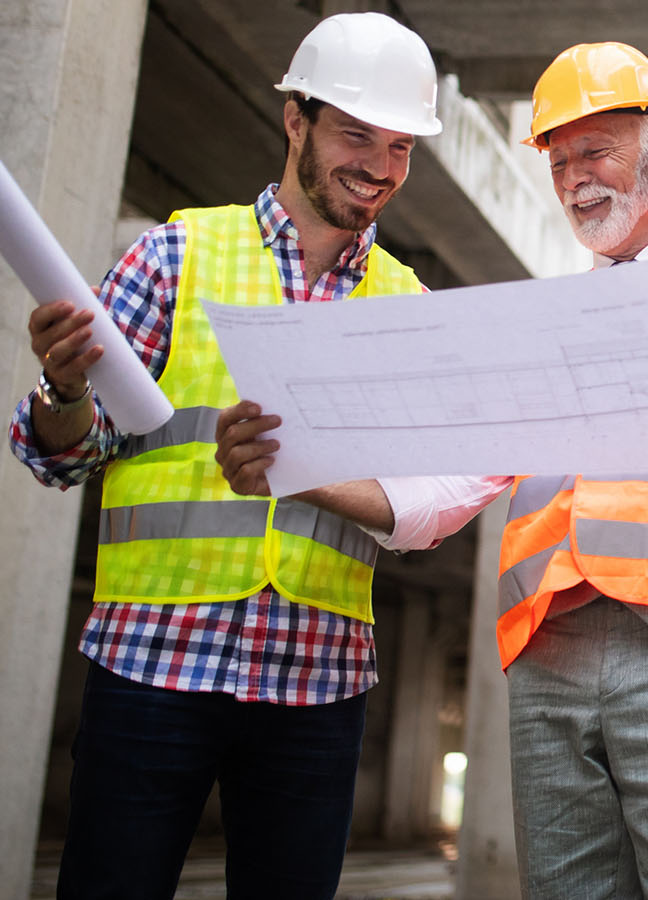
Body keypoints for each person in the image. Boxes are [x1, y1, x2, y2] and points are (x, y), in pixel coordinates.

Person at [217, 39, 648, 900]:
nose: (576, 180)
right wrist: (299, 474)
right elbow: (443, 494)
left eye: (595, 152)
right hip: (548, 661)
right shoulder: (538, 321)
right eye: (560, 162)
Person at [10, 13, 448, 898]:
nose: (378, 166)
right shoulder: (176, 256)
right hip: (153, 665)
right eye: (355, 133)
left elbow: (423, 509)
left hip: (317, 682)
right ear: (297, 121)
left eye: (400, 146)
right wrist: (66, 394)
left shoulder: (407, 305)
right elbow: (57, 457)